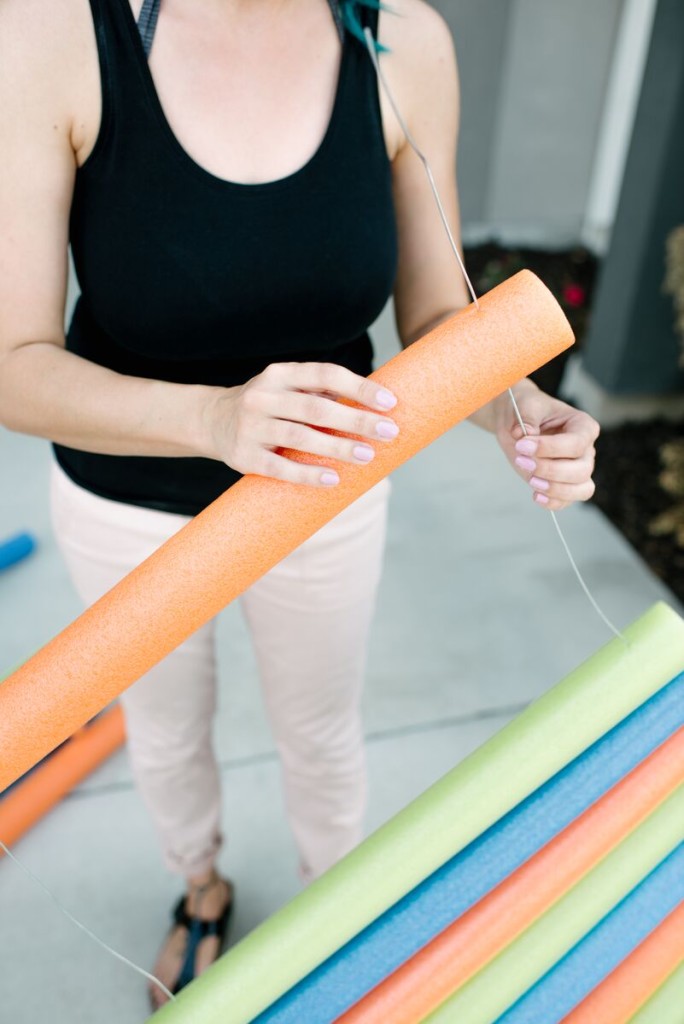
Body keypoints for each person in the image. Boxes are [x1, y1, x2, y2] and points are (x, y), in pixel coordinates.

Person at [0, 0, 599, 1008]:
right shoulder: (53, 30)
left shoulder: (404, 38)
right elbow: (15, 366)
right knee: (166, 730)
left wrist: (514, 404)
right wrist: (219, 419)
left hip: (328, 490)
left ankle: (342, 914)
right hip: (129, 492)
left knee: (321, 729)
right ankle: (201, 892)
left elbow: (440, 314)